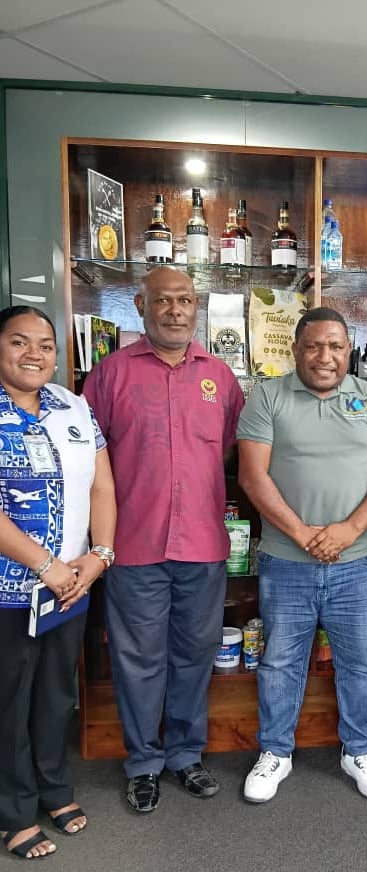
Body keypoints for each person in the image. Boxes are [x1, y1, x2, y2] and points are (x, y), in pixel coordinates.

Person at [83, 267, 244, 813]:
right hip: (133, 546)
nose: (175, 311)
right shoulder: (109, 375)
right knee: (138, 660)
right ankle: (144, 762)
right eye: (163, 301)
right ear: (140, 305)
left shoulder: (220, 377)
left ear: (196, 306)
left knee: (195, 656)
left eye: (185, 301)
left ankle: (185, 754)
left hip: (202, 545)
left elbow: (228, 450)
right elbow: (90, 460)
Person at [237, 307, 367, 803]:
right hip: (286, 559)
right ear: (295, 350)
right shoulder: (267, 396)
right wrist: (303, 534)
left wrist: (348, 530)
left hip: (359, 561)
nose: (324, 356)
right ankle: (276, 752)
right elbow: (252, 476)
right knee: (280, 661)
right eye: (313, 346)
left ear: (349, 351)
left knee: (360, 659)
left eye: (335, 346)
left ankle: (359, 750)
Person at [0, 306, 116, 859]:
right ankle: (13, 811)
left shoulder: (73, 405)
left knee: (56, 694)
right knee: (9, 700)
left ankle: (53, 788)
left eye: (45, 345)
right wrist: (46, 565)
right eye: (19, 342)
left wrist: (99, 556)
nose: (34, 354)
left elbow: (102, 488)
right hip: (11, 590)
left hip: (71, 585)